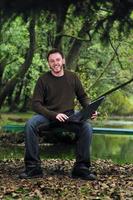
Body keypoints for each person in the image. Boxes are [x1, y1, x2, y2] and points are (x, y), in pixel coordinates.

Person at [19, 49, 97, 180]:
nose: (55, 63)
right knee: (30, 125)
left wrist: (90, 109)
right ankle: (33, 168)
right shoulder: (43, 80)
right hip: (48, 116)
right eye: (52, 61)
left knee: (87, 127)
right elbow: (36, 104)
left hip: (69, 116)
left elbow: (83, 97)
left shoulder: (72, 77)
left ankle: (81, 168)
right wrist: (54, 115)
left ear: (63, 61)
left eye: (58, 60)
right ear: (49, 64)